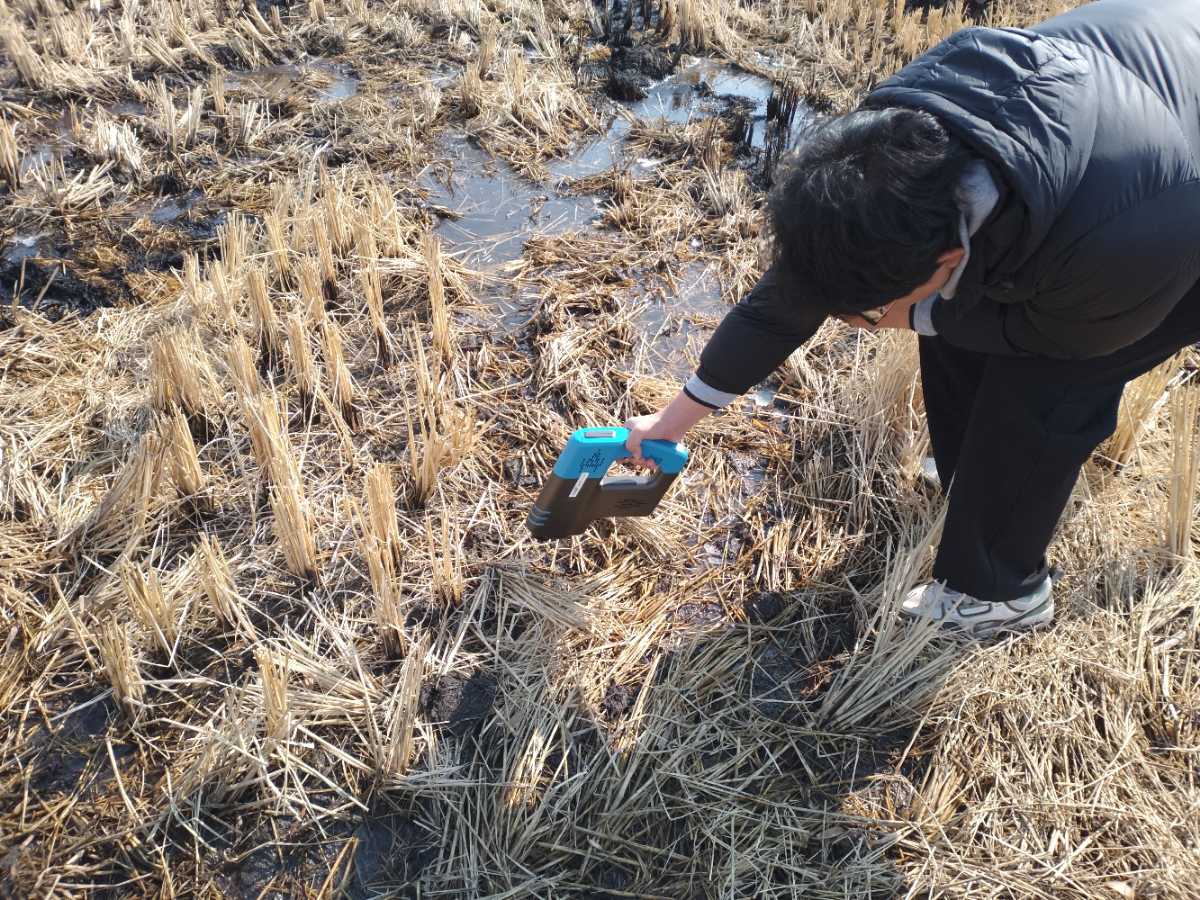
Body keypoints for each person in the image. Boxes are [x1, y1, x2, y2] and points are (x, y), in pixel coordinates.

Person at [623, 0, 1200, 638]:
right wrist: (672, 422)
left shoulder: (1122, 243)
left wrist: (921, 316)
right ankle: (972, 481)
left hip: (1170, 232)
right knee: (951, 321)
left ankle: (1000, 593)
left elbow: (1053, 342)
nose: (865, 321)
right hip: (1130, 95)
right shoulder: (888, 150)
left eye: (868, 314)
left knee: (1044, 391)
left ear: (951, 255)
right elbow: (789, 296)